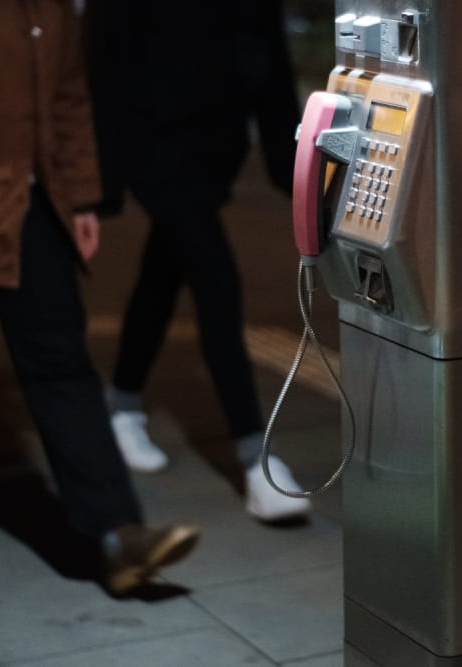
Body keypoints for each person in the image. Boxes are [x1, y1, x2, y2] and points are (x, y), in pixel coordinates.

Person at [0, 0, 198, 596]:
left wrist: (78, 196)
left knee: (61, 359)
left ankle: (116, 532)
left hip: (29, 201)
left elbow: (68, 96)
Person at [84, 0, 311, 522]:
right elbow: (104, 57)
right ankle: (257, 465)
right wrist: (103, 180)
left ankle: (120, 405)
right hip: (151, 145)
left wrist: (290, 165)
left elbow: (266, 52)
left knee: (163, 272)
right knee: (217, 281)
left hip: (215, 148)